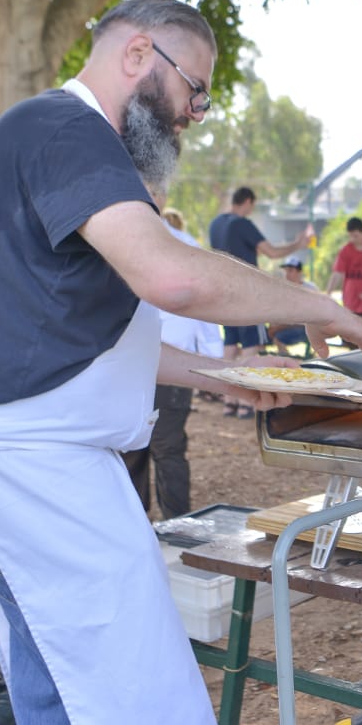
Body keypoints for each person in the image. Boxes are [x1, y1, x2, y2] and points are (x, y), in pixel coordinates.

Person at [0, 0, 362, 725]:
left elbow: (73, 337)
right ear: (139, 55)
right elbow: (170, 278)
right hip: (35, 475)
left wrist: (223, 372)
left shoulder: (44, 142)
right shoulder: (67, 132)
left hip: (2, 469)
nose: (196, 117)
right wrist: (317, 304)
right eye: (196, 91)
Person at [121, 194, 222, 520]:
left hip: (174, 365)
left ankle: (179, 526)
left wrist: (211, 362)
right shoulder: (117, 242)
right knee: (129, 447)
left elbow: (206, 307)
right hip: (127, 363)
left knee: (168, 447)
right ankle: (134, 524)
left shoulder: (183, 245)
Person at [208, 185, 315, 366]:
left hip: (224, 292)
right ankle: (244, 394)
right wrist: (297, 244)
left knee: (231, 344)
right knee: (251, 347)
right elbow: (271, 252)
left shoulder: (215, 224)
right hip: (247, 294)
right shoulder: (242, 223)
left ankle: (226, 394)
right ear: (248, 202)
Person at [267, 256, 319, 355]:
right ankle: (283, 356)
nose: (286, 274)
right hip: (288, 326)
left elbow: (309, 318)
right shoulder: (283, 290)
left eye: (290, 270)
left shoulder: (310, 289)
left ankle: (285, 357)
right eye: (285, 270)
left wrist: (278, 327)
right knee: (261, 333)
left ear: (299, 272)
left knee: (277, 335)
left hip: (305, 328)